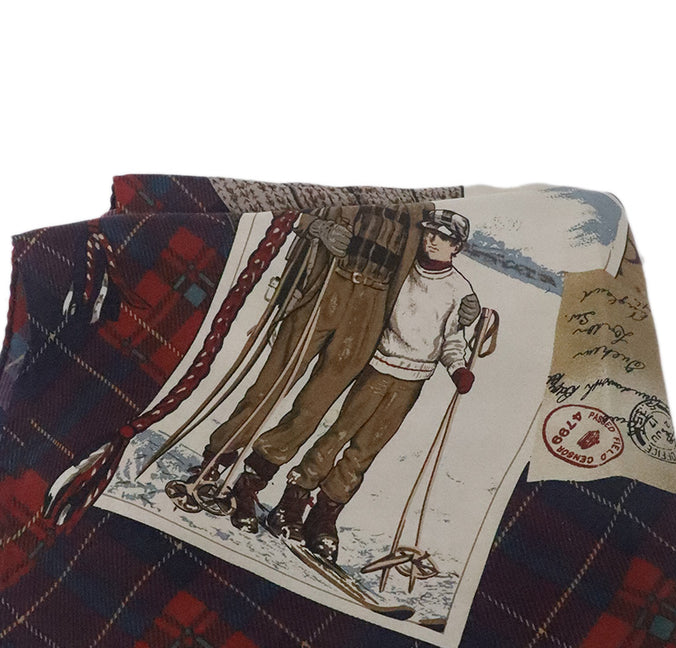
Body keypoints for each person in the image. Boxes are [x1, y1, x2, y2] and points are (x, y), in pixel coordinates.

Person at [166, 203, 481, 531]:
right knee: (271, 386)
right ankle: (215, 461)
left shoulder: (422, 210)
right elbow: (290, 210)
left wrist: (465, 308)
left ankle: (250, 483)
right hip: (327, 284)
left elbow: (428, 268)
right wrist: (318, 228)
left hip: (370, 308)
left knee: (312, 408)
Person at [267, 209, 480, 563]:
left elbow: (452, 340)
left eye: (443, 238)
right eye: (429, 233)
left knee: (364, 451)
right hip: (379, 366)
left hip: (413, 379)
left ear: (456, 246)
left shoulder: (459, 290)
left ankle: (324, 517)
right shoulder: (404, 271)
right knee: (339, 433)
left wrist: (458, 370)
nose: (432, 241)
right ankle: (292, 501)